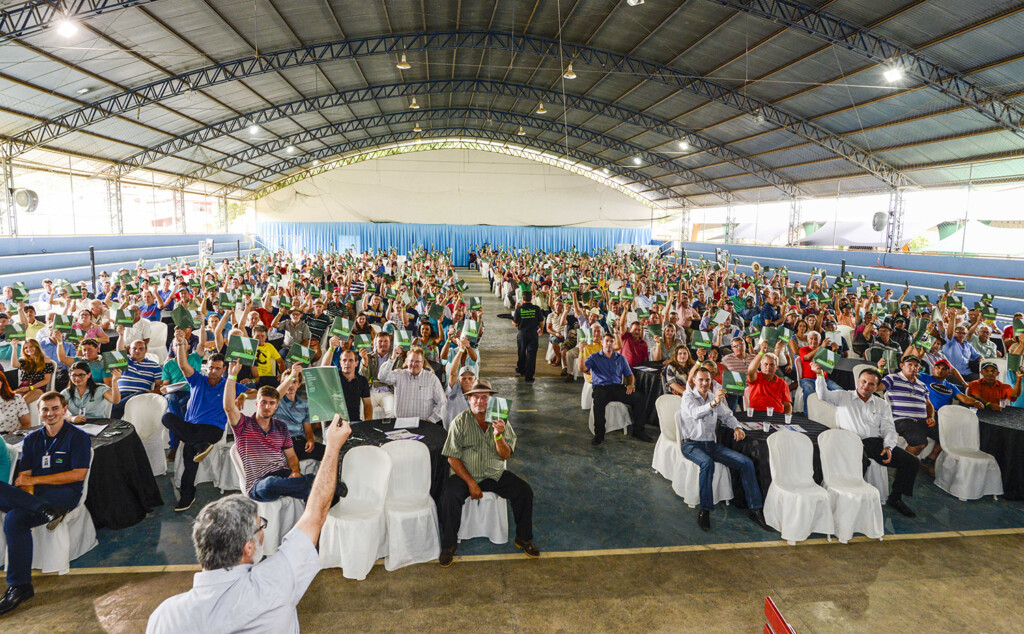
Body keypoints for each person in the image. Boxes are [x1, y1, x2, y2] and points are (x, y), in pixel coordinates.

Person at [146, 413, 352, 634]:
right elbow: (314, 516)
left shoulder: (164, 616)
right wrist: (332, 447)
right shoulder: (273, 584)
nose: (262, 530)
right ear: (249, 547)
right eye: (260, 526)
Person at [0, 392, 90, 615]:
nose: (50, 414)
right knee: (13, 518)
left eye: (55, 408)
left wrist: (35, 481)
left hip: (64, 495)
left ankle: (20, 585)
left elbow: (78, 475)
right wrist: (29, 499)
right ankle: (20, 587)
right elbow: (24, 478)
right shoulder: (31, 439)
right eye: (45, 410)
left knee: (13, 517)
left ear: (64, 409)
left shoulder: (77, 437)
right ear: (38, 412)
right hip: (39, 497)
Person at [437, 379, 538, 567]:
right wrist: (471, 483)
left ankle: (523, 538)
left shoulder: (501, 421)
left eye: (485, 397)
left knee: (524, 492)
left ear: (490, 400)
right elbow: (452, 458)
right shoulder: (459, 422)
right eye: (475, 397)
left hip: (494, 474)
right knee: (449, 496)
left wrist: (498, 435)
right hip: (466, 474)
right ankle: (449, 545)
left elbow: (506, 454)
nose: (480, 401)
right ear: (468, 400)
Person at [812, 364, 920, 518]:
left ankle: (896, 498)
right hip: (849, 442)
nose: (866, 386)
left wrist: (888, 446)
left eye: (871, 384)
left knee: (912, 461)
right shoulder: (843, 396)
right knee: (861, 462)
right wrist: (820, 375)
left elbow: (889, 429)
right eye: (863, 381)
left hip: (874, 443)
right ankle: (851, 499)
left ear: (877, 387)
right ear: (858, 381)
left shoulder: (882, 404)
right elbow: (823, 395)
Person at [676, 366, 772, 532]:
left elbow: (728, 416)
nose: (705, 383)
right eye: (701, 380)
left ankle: (755, 509)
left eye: (708, 380)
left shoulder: (713, 397)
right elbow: (695, 413)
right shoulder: (688, 397)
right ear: (694, 381)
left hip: (710, 445)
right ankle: (705, 510)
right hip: (691, 444)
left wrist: (736, 428)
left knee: (746, 462)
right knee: (707, 464)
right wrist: (713, 403)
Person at [161, 335, 250, 511]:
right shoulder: (198, 380)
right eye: (210, 368)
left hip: (213, 429)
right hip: (192, 427)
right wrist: (179, 345)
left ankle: (187, 496)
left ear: (224, 369)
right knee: (167, 418)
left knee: (189, 452)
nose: (213, 371)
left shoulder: (229, 384)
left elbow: (254, 391)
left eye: (217, 368)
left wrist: (242, 396)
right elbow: (183, 365)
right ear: (206, 368)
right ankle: (200, 446)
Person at [223, 366, 315, 503]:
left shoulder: (281, 427)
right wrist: (232, 376)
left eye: (272, 403)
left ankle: (309, 488)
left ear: (276, 406)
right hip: (258, 482)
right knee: (271, 484)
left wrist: (295, 470)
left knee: (315, 493)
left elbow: (291, 456)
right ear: (256, 404)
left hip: (282, 473)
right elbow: (229, 408)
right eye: (263, 402)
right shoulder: (243, 424)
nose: (267, 407)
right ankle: (312, 483)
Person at [580, 332, 652, 445]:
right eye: (607, 341)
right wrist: (581, 351)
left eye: (611, 341)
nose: (609, 343)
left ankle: (638, 430)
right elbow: (582, 368)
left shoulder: (620, 358)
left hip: (617, 387)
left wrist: (631, 384)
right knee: (598, 402)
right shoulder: (594, 357)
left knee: (639, 397)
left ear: (614, 344)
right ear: (602, 343)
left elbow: (629, 375)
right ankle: (599, 434)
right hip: (601, 387)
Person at [878, 356, 940, 472]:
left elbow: (928, 404)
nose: (913, 367)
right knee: (919, 443)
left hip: (922, 420)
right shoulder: (892, 378)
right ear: (902, 366)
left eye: (916, 365)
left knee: (945, 436)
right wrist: (880, 370)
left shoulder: (922, 385)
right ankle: (902, 466)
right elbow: (876, 387)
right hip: (902, 419)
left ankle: (929, 461)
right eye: (909, 364)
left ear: (919, 368)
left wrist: (931, 417)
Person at [378, 346, 445, 423]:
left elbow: (442, 403)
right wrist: (392, 358)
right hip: (401, 423)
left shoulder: (431, 378)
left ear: (422, 362)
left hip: (424, 424)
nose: (413, 364)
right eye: (411, 361)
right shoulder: (399, 375)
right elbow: (382, 377)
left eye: (417, 361)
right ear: (407, 361)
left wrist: (432, 419)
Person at [273, 364, 325, 462]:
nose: (291, 385)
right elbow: (275, 395)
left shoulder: (304, 404)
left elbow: (308, 430)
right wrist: (292, 375)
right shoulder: (277, 402)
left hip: (300, 442)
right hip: (283, 444)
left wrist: (310, 439)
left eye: (294, 381)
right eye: (288, 381)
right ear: (282, 383)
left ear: (299, 384)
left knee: (331, 453)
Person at [111, 339, 162, 419]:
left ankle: (112, 414)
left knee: (141, 393)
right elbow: (119, 351)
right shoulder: (124, 361)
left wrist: (152, 392)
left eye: (141, 348)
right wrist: (121, 335)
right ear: (129, 350)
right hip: (120, 394)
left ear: (146, 350)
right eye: (134, 348)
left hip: (140, 395)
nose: (137, 351)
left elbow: (161, 385)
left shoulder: (154, 366)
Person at [358, 331, 398, 418]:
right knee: (363, 413)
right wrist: (364, 362)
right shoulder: (368, 356)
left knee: (392, 413)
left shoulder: (396, 358)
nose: (383, 344)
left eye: (385, 341)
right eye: (380, 341)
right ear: (375, 343)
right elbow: (363, 379)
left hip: (388, 392)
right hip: (372, 392)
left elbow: (396, 378)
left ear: (390, 343)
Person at [745, 342, 792, 414]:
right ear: (760, 366)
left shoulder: (783, 383)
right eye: (765, 364)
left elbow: (787, 405)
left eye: (772, 365)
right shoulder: (756, 377)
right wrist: (761, 352)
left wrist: (785, 420)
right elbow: (751, 371)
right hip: (758, 416)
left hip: (777, 419)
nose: (768, 367)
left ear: (777, 367)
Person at [511, 290, 543, 383]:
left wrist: (512, 322)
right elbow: (541, 321)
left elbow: (516, 324)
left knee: (521, 352)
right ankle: (529, 376)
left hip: (522, 334)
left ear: (523, 299)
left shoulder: (519, 310)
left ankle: (521, 370)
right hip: (533, 334)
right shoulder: (536, 309)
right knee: (531, 355)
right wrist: (541, 328)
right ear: (531, 299)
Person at [337, 349, 372, 422]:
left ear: (356, 363)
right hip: (335, 423)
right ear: (340, 363)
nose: (347, 363)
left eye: (351, 360)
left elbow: (367, 404)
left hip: (354, 422)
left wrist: (368, 422)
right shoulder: (333, 378)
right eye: (344, 360)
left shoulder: (362, 380)